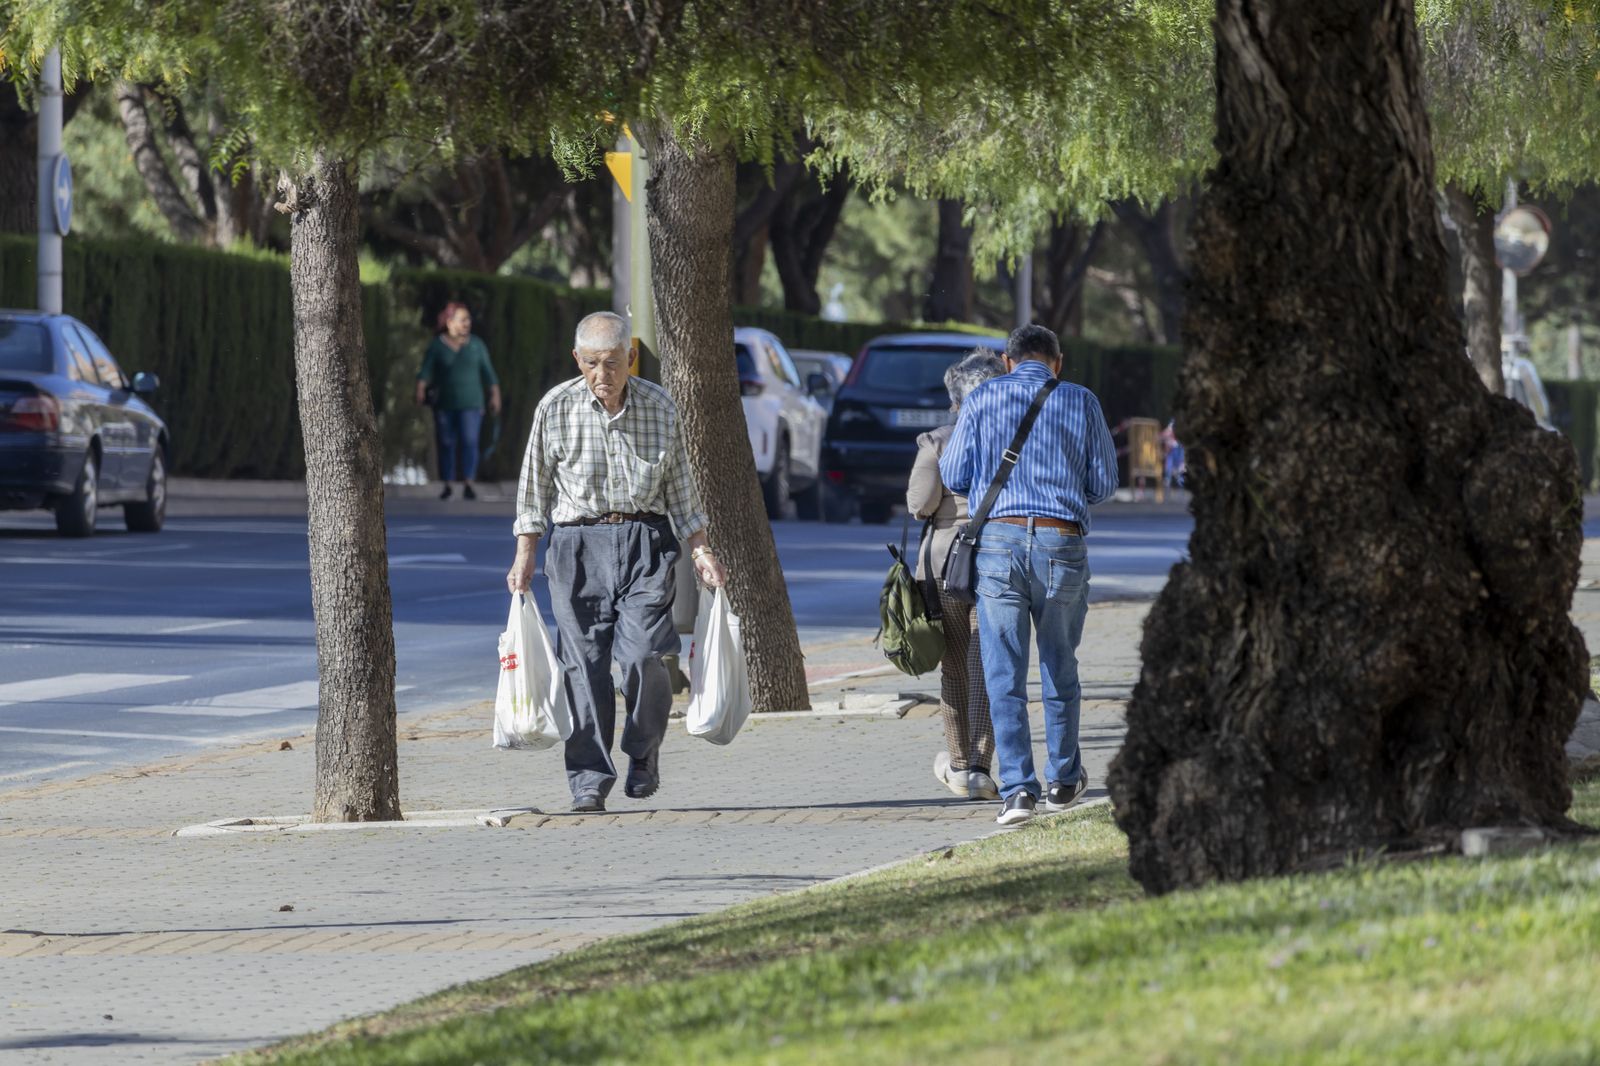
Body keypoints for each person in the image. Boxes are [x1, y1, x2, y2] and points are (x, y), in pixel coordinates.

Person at [507, 311, 727, 813]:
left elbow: (682, 490)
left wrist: (701, 549)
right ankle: (588, 778)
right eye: (590, 364)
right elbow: (532, 489)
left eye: (611, 363)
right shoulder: (555, 407)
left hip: (645, 542)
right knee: (582, 666)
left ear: (631, 358)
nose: (601, 375)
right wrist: (524, 556)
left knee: (645, 656)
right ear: (576, 360)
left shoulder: (660, 406)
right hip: (575, 546)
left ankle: (643, 753)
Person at [939, 324, 1118, 826]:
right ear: (1057, 362)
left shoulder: (980, 399)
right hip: (1062, 545)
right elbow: (1103, 482)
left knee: (1003, 672)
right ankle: (1064, 780)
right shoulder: (1081, 400)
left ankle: (1018, 791)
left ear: (1007, 359)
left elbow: (953, 475)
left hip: (998, 544)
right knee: (1061, 665)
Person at [906, 349, 1005, 802]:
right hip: (1000, 559)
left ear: (955, 400)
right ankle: (984, 766)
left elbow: (920, 503)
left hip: (945, 564)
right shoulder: (1013, 437)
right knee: (988, 666)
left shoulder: (939, 440)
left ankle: (960, 764)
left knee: (955, 667)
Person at [416, 301, 502, 500]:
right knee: (446, 443)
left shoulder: (477, 345)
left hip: (472, 404)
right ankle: (447, 483)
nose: (467, 323)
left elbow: (489, 374)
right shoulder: (438, 345)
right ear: (449, 322)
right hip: (445, 404)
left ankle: (468, 482)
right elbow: (425, 370)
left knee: (469, 441)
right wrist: (420, 389)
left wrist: (494, 395)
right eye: (462, 320)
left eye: (468, 319)